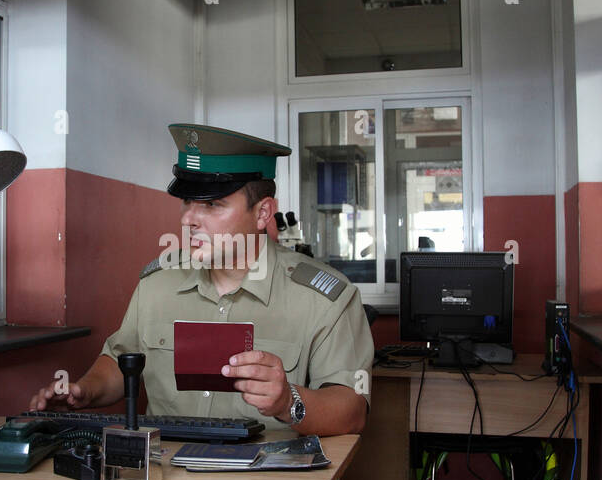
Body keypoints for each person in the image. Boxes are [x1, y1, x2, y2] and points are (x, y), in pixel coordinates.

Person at [30, 123, 374, 435]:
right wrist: (85, 391)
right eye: (188, 202)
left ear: (263, 213)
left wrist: (287, 401)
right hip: (162, 477)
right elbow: (122, 362)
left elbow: (352, 411)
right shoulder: (157, 283)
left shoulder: (325, 299)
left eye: (212, 205)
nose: (190, 219)